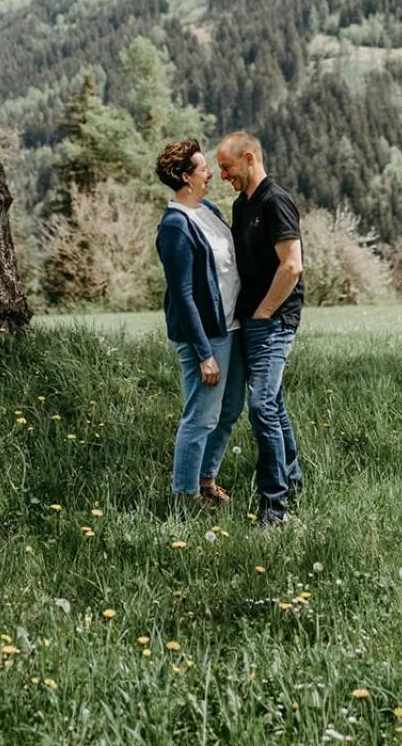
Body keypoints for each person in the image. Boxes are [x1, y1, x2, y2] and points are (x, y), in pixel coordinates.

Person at [215, 131, 304, 527]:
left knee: (261, 407)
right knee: (274, 403)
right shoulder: (241, 205)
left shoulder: (275, 202)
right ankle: (294, 481)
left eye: (227, 167)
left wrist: (265, 312)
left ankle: (274, 509)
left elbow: (292, 266)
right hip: (251, 319)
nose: (222, 176)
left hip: (274, 320)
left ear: (249, 158)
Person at [155, 137, 245, 510]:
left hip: (232, 326)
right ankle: (184, 495)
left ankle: (206, 480)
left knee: (229, 409)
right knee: (201, 416)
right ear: (184, 177)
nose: (210, 172)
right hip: (206, 336)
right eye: (203, 167)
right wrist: (204, 353)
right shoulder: (175, 226)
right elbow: (183, 295)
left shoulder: (206, 209)